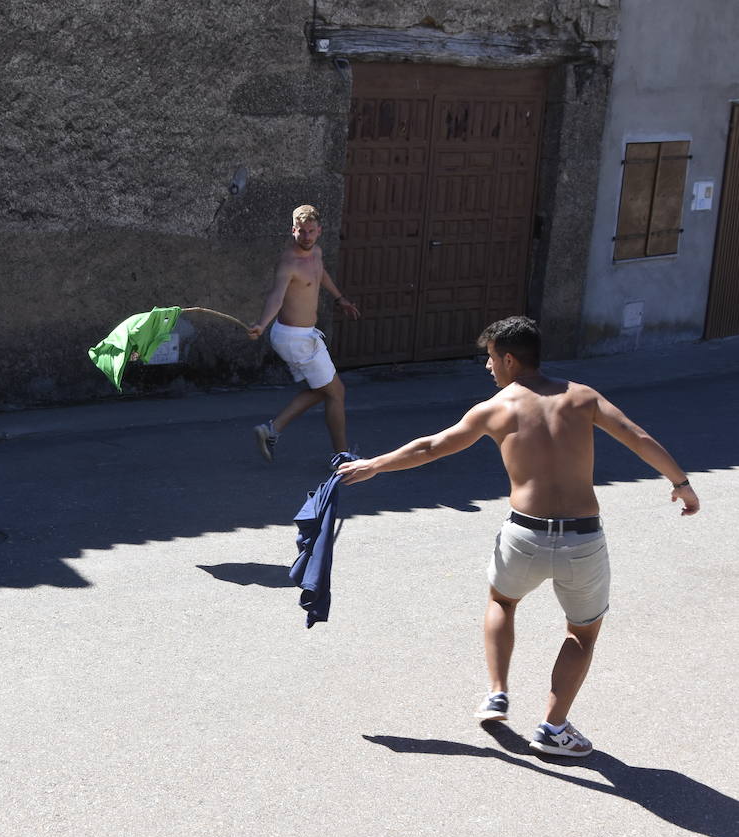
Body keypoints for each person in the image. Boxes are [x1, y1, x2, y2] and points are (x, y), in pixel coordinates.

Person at [334, 316, 700, 757]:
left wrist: (373, 465)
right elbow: (637, 437)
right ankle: (553, 727)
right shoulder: (581, 397)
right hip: (581, 539)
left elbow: (431, 447)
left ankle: (496, 692)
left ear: (509, 358)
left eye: (490, 358)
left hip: (524, 534)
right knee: (582, 632)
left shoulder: (497, 408)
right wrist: (681, 484)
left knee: (502, 602)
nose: (488, 367)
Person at [248, 204, 361, 461]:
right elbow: (276, 297)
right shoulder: (290, 262)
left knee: (323, 389)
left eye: (311, 231)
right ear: (293, 230)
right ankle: (341, 458)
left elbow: (321, 275)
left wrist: (340, 298)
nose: (307, 237)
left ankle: (271, 430)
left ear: (319, 231)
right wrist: (262, 324)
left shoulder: (316, 252)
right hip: (295, 339)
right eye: (302, 232)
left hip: (303, 335)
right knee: (337, 392)